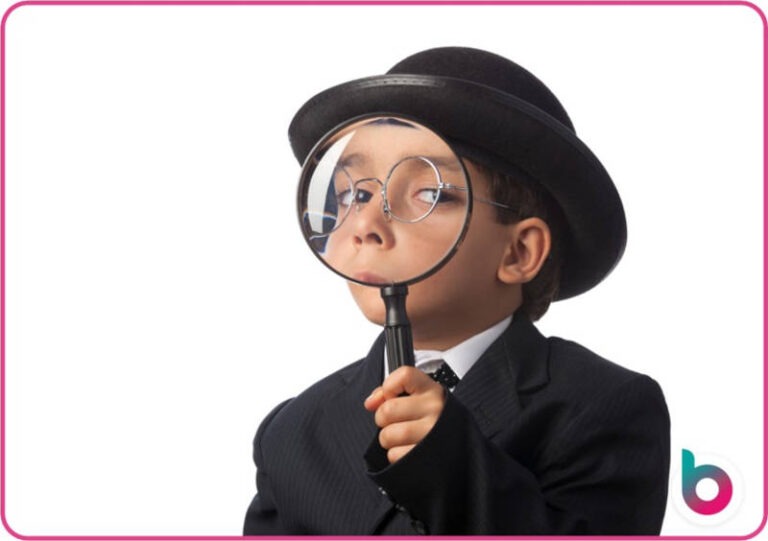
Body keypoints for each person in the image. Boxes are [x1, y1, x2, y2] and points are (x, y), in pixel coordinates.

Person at [243, 46, 670, 535]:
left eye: (431, 195)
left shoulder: (603, 406)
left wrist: (451, 463)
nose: (365, 224)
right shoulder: (294, 431)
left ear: (519, 252)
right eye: (354, 194)